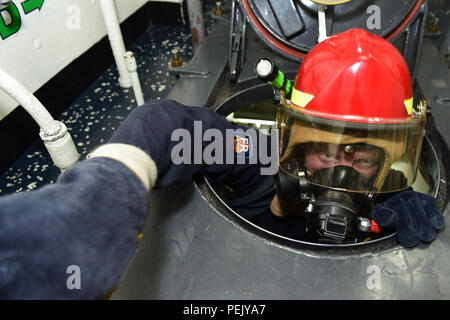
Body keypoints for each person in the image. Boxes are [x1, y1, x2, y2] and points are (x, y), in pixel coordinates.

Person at [0, 29, 444, 299]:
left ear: (389, 156)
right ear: (295, 138)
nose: (341, 170)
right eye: (326, 151)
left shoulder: (388, 197)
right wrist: (96, 199)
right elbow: (166, 126)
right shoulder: (260, 157)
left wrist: (397, 203)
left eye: (362, 156)